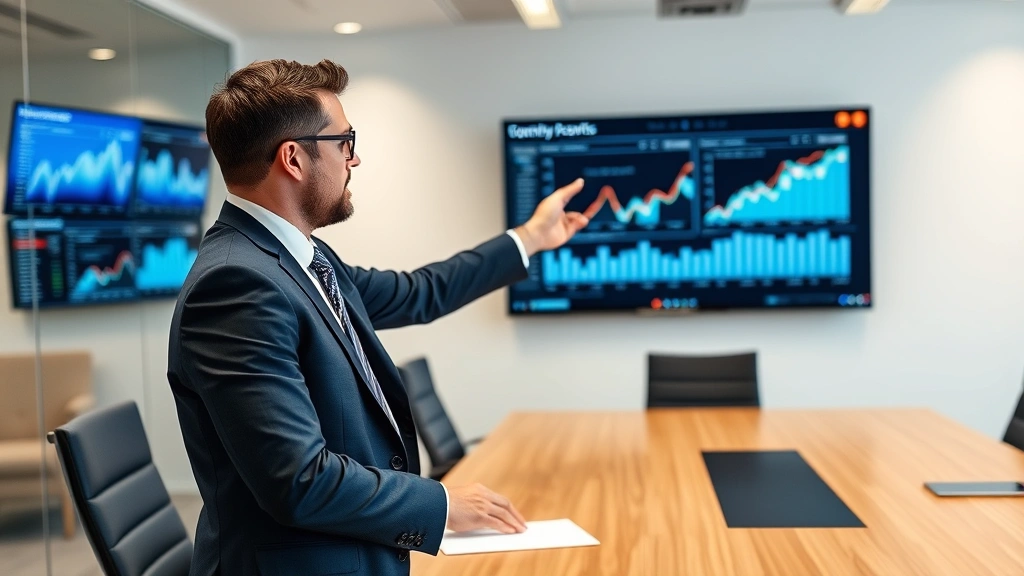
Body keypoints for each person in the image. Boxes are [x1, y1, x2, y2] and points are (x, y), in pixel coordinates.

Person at [166, 58, 589, 576]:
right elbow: (298, 480)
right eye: (345, 141)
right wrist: (442, 504)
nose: (355, 158)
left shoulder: (305, 262)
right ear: (294, 158)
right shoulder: (237, 285)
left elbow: (419, 293)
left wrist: (530, 239)